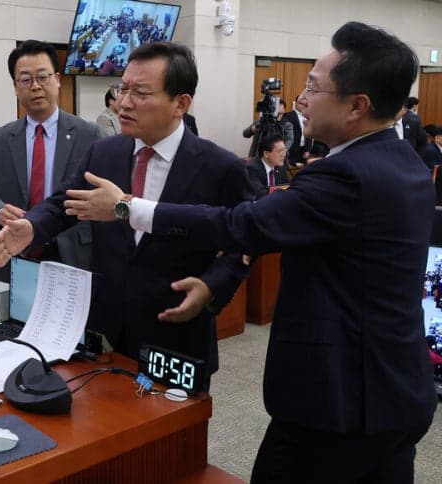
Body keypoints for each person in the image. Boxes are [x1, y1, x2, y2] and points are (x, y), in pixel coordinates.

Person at [60, 22, 436, 482]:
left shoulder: (348, 177)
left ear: (357, 106)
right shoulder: (406, 163)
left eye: (314, 88)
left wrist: (125, 207)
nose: (301, 98)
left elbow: (241, 224)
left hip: (340, 402)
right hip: (394, 388)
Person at [0, 41, 251, 392]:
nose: (124, 103)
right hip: (106, 332)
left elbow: (245, 239)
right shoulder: (104, 152)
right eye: (122, 88)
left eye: (140, 93)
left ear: (180, 104)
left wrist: (211, 287)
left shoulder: (221, 168)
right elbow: (64, 202)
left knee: (170, 439)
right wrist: (32, 226)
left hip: (174, 333)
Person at [0, 40, 99, 281]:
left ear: (58, 79)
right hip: (15, 255)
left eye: (43, 77)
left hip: (71, 253)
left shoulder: (88, 134)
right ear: (15, 86)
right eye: (25, 79)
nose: (35, 86)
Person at [245, 134, 288, 199]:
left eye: (284, 151)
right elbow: (260, 194)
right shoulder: (252, 168)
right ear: (266, 154)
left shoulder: (281, 168)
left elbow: (287, 188)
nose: (283, 155)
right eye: (279, 151)